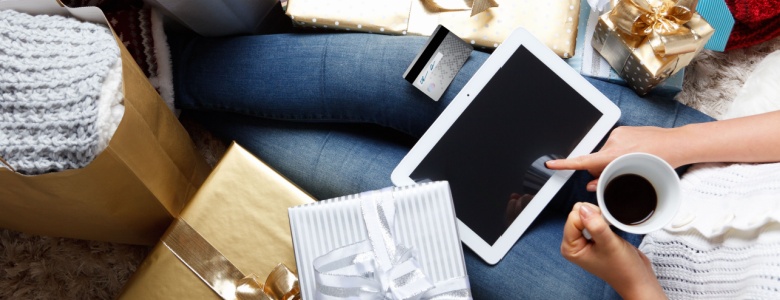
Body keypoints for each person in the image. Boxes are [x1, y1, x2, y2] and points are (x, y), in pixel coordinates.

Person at [167, 28, 762, 298]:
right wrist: (676, 145)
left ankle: (167, 102)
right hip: (699, 154)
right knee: (398, 78)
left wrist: (630, 278)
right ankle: (174, 62)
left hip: (619, 288)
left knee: (363, 183)